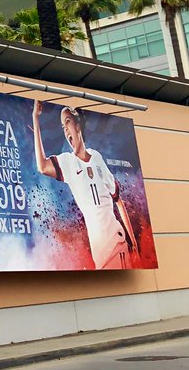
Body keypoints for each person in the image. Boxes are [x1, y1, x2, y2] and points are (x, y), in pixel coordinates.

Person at [31, 99, 139, 269]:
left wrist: (134, 244)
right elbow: (42, 166)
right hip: (100, 255)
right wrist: (35, 119)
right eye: (63, 128)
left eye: (68, 123)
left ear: (78, 126)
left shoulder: (96, 157)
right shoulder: (67, 162)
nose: (66, 130)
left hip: (117, 245)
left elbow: (118, 200)